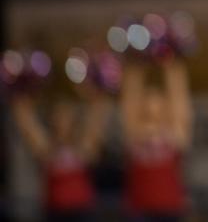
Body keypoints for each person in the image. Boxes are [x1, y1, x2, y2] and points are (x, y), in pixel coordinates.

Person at [11, 92, 111, 222]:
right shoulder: (47, 147)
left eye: (67, 115)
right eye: (59, 115)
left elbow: (99, 117)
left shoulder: (82, 146)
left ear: (74, 119)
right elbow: (27, 124)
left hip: (82, 211)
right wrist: (21, 91)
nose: (63, 120)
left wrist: (93, 91)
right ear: (52, 119)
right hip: (55, 212)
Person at [120, 60, 192, 222]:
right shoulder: (134, 132)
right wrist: (136, 58)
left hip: (170, 208)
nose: (152, 103)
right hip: (138, 209)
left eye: (157, 98)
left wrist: (172, 61)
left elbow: (180, 97)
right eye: (148, 97)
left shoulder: (175, 132)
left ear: (166, 104)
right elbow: (129, 98)